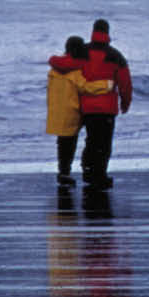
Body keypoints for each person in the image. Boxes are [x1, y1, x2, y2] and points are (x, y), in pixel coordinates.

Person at [54, 19, 133, 189]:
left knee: (89, 141)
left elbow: (64, 64)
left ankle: (85, 170)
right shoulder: (116, 56)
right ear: (107, 32)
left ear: (93, 31)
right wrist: (125, 102)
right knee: (102, 144)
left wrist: (53, 60)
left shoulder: (83, 51)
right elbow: (125, 82)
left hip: (84, 106)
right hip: (106, 108)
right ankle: (97, 174)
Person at [46, 36, 114, 186]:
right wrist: (107, 84)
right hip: (72, 111)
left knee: (63, 144)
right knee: (73, 144)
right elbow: (86, 87)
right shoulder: (74, 70)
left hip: (58, 111)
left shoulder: (54, 69)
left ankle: (63, 173)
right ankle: (73, 171)